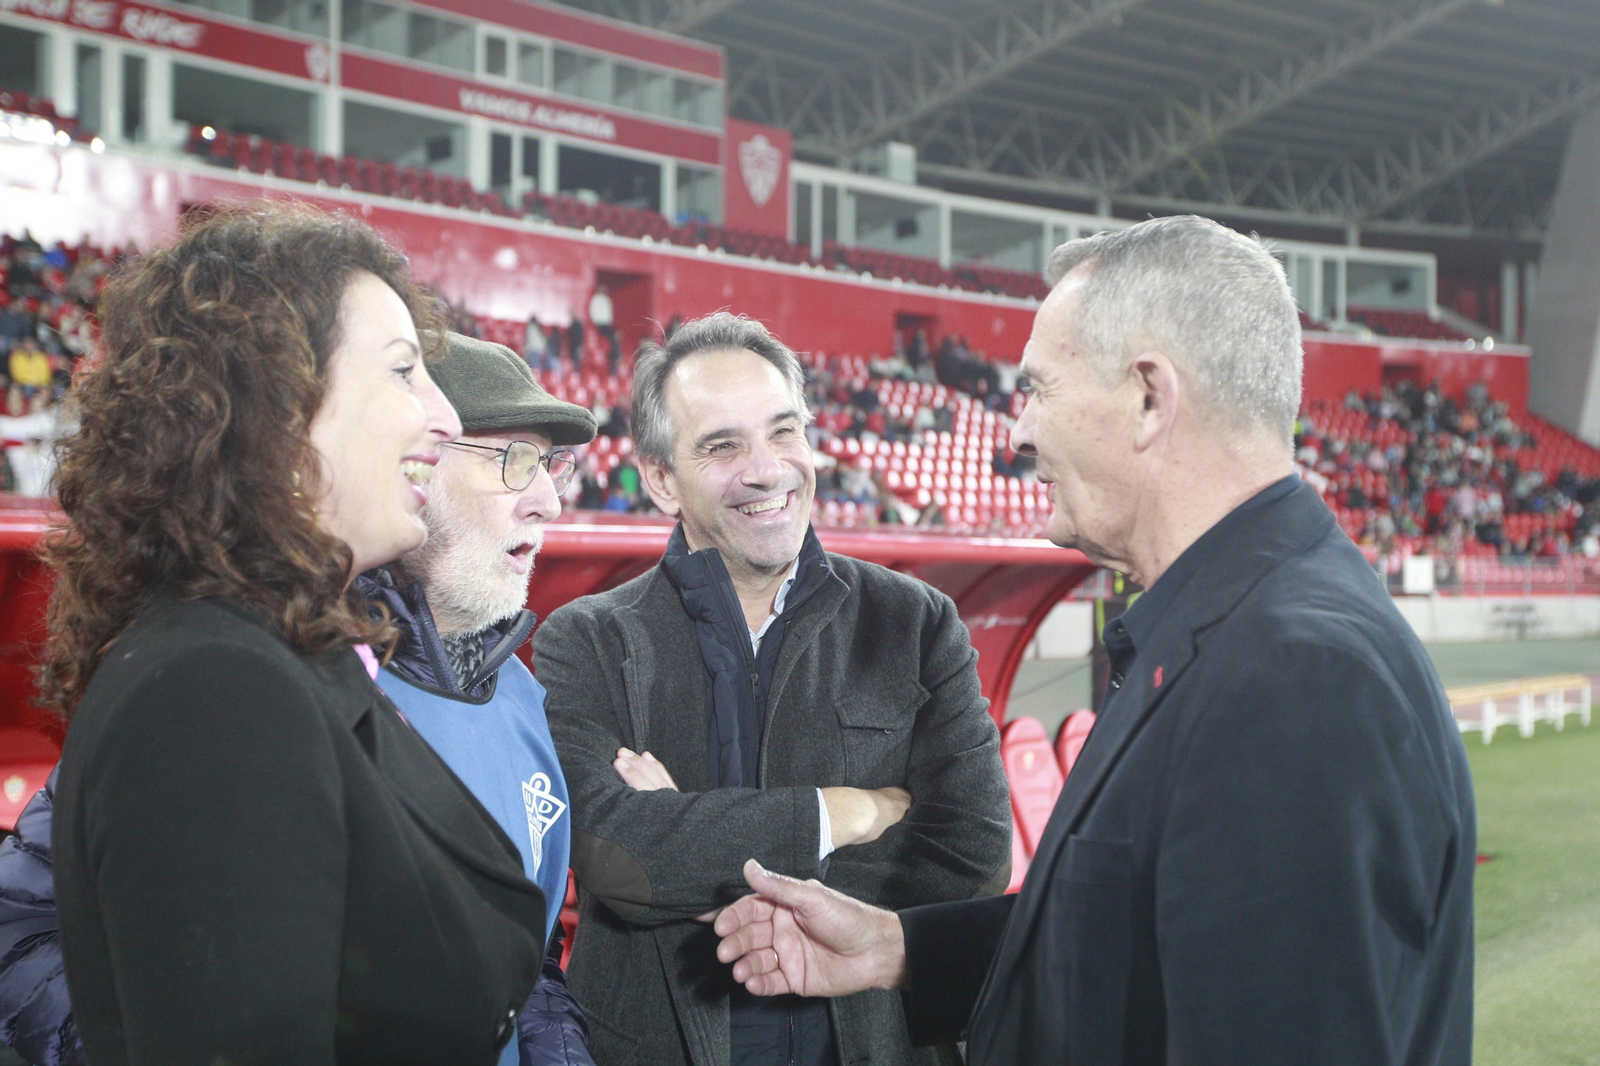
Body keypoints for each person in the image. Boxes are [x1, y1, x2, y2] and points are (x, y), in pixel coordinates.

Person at [712, 216, 1476, 1066]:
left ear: (1150, 397)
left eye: (1039, 388)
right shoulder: (1227, 631)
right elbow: (1127, 934)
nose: (1018, 432)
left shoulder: (1295, 678)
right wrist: (896, 947)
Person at [39, 204, 555, 1066]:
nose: (443, 416)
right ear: (280, 409)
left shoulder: (276, 652)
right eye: (402, 372)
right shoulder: (218, 690)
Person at [535, 312, 1011, 1066]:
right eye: (723, 446)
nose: (767, 469)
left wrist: (688, 847)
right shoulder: (584, 639)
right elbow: (612, 854)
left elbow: (974, 855)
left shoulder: (916, 623)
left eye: (784, 432)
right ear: (661, 478)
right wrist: (841, 814)